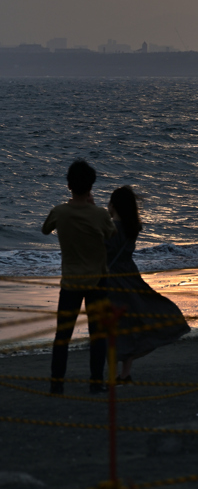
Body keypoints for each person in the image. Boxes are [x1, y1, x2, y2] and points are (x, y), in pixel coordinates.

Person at [42, 159, 116, 395]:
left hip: (71, 282)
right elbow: (112, 237)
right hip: (98, 281)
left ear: (69, 185)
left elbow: (45, 229)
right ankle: (96, 382)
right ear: (91, 186)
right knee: (98, 334)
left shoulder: (59, 212)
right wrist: (93, 207)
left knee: (63, 334)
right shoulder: (101, 215)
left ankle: (57, 383)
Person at [104, 186, 189, 383]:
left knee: (112, 328)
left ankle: (112, 374)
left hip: (112, 280)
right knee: (133, 323)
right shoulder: (132, 228)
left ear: (113, 205)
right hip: (131, 276)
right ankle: (124, 374)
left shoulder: (110, 229)